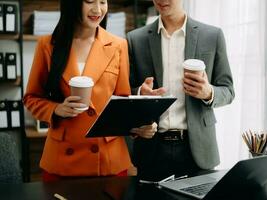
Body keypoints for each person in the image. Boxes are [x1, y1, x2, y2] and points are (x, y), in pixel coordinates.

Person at [23, 0, 157, 181]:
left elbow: (122, 102)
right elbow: (31, 98)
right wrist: (56, 109)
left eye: (103, 1)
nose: (98, 9)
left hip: (108, 159)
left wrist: (139, 124)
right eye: (90, 1)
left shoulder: (119, 45)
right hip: (62, 160)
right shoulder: (47, 45)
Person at [127, 0, 235, 180]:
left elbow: (228, 90)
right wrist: (139, 92)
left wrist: (208, 93)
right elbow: (124, 93)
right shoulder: (135, 39)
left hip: (198, 151)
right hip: (152, 151)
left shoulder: (212, 35)